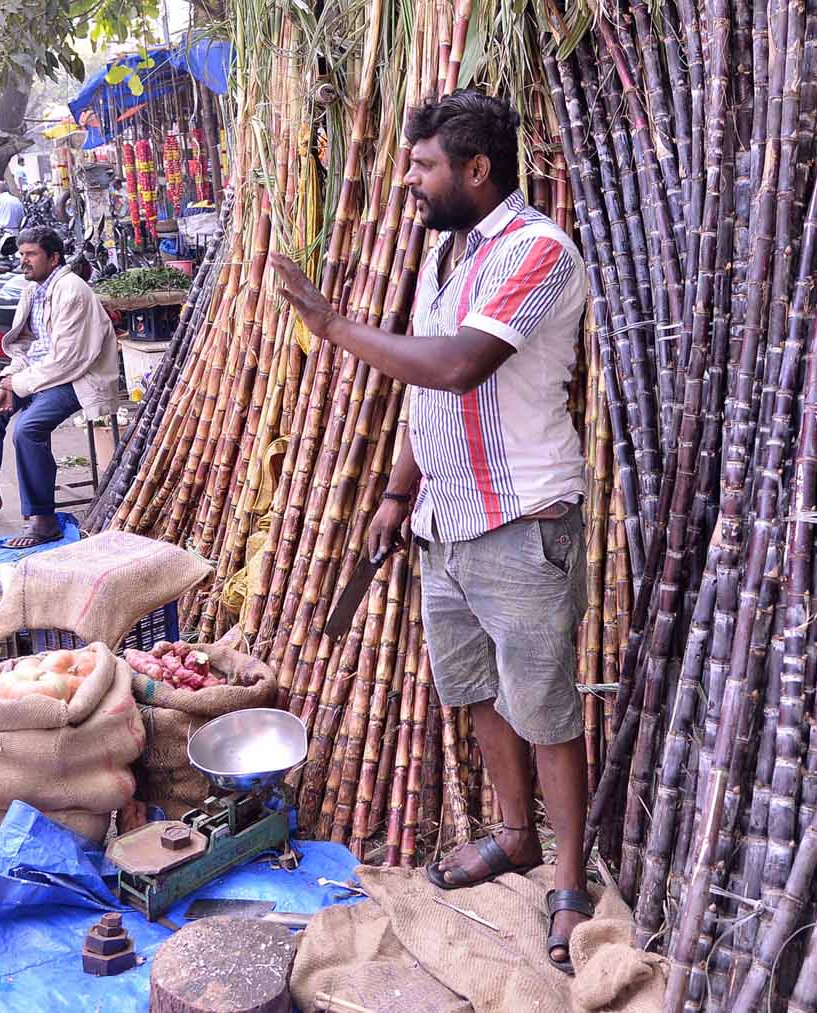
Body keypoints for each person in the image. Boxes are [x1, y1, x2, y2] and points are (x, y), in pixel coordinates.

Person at [270, 89, 593, 974]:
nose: (408, 180)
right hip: (445, 519)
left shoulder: (538, 251)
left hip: (521, 517)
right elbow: (425, 394)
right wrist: (395, 492)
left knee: (546, 706)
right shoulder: (445, 256)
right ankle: (516, 835)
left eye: (423, 165)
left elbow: (456, 367)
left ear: (476, 169)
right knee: (476, 690)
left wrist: (331, 324)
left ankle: (568, 878)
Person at [0, 226, 120, 549]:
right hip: (41, 374)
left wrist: (17, 384)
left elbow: (68, 361)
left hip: (77, 378)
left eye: (32, 254)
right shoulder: (32, 291)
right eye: (22, 254)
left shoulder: (72, 291)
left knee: (28, 430)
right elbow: (25, 347)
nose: (24, 260)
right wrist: (8, 380)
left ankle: (43, 519)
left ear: (54, 258)